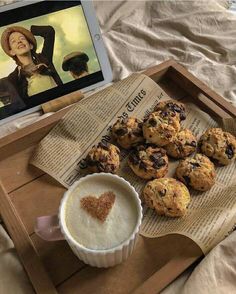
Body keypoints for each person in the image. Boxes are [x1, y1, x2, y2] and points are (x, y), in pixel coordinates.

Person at [0, 25, 63, 104]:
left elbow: (49, 31)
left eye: (22, 38)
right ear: (12, 52)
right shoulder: (14, 78)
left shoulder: (45, 60)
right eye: (13, 41)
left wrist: (27, 30)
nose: (19, 41)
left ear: (30, 45)